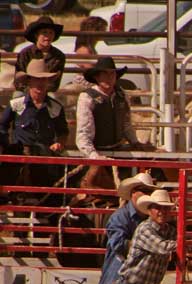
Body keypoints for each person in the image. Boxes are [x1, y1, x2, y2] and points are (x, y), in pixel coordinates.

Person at [76, 57, 146, 188]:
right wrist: (94, 156)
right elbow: (83, 133)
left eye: (112, 73)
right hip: (97, 152)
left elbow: (126, 123)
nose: (109, 78)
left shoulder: (121, 95)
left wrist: (134, 142)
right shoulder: (87, 97)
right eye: (104, 74)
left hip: (118, 150)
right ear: (97, 77)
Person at [0, 59, 68, 190]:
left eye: (43, 79)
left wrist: (59, 143)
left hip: (45, 156)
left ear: (48, 82)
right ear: (29, 81)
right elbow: (2, 126)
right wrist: (7, 145)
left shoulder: (55, 107)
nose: (40, 83)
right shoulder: (16, 104)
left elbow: (63, 132)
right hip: (19, 156)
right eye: (36, 79)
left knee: (52, 189)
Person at [15, 16, 66, 93]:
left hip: (47, 92)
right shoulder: (25, 53)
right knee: (18, 95)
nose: (48, 36)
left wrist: (42, 91)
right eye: (44, 32)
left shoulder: (59, 56)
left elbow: (55, 83)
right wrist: (31, 91)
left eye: (50, 33)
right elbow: (18, 81)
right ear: (36, 35)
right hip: (25, 91)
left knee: (53, 98)